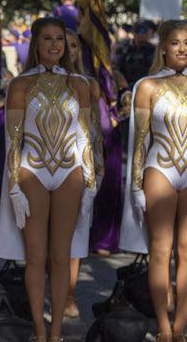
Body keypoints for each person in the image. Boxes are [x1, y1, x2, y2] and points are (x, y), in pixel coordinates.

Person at [0, 17, 97, 341]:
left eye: (60, 40)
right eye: (48, 39)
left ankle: (56, 332)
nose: (55, 45)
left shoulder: (79, 84)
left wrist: (91, 182)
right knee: (36, 257)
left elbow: (84, 140)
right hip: (32, 172)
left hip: (70, 173)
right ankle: (39, 328)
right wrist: (14, 188)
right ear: (35, 45)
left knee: (61, 255)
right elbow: (13, 141)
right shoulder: (20, 85)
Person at [119, 20, 187, 341]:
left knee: (186, 251)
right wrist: (135, 186)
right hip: (159, 170)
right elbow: (140, 141)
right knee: (161, 250)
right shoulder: (147, 86)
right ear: (163, 47)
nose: (183, 48)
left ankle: (180, 326)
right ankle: (162, 323)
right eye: (175, 42)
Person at [64, 29, 105, 318]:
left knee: (77, 233)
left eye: (74, 46)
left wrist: (96, 167)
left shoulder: (90, 84)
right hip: (43, 166)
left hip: (82, 164)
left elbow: (95, 131)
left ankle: (68, 294)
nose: (68, 50)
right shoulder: (32, 82)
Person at [116, 20, 157, 86]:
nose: (141, 34)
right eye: (138, 30)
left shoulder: (153, 49)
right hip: (126, 85)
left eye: (143, 31)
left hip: (146, 85)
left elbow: (155, 70)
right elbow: (117, 68)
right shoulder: (123, 47)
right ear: (133, 32)